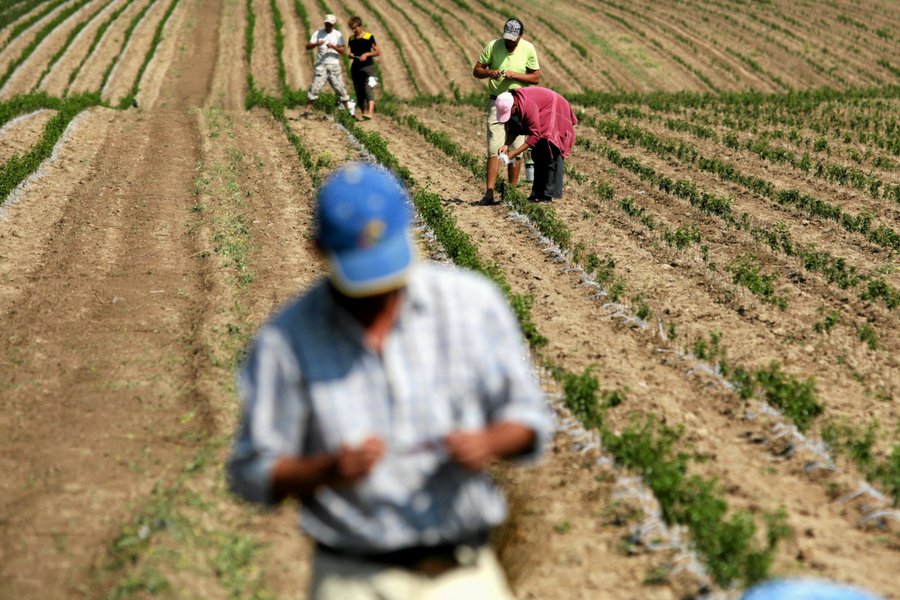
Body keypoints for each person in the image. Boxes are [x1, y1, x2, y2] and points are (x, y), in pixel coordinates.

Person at [226, 163, 554, 600]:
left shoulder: (471, 305)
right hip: (353, 578)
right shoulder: (286, 341)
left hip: (464, 575)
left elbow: (530, 417)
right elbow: (252, 471)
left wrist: (488, 442)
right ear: (317, 251)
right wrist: (327, 470)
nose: (380, 292)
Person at [473, 18, 540, 205]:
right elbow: (477, 70)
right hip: (496, 102)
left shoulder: (528, 48)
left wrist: (515, 75)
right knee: (494, 147)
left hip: (519, 104)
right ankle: (489, 193)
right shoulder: (493, 46)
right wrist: (490, 72)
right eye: (507, 38)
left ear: (521, 36)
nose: (509, 42)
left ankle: (510, 192)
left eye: (513, 39)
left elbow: (535, 78)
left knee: (516, 148)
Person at [495, 87, 577, 203]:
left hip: (554, 107)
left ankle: (547, 195)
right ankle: (536, 193)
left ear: (514, 106)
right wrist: (506, 145)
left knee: (550, 151)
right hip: (543, 109)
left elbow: (535, 135)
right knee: (538, 154)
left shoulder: (527, 106)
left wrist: (516, 152)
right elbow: (514, 130)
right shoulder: (517, 105)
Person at [303, 14, 353, 118]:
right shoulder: (318, 33)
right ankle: (306, 112)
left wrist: (333, 46)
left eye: (330, 24)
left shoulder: (337, 34)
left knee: (340, 88)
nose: (328, 26)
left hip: (334, 65)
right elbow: (307, 46)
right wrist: (316, 43)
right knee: (315, 88)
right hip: (321, 65)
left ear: (333, 24)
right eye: (326, 24)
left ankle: (348, 112)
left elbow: (343, 50)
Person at [347, 16, 380, 121]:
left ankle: (370, 112)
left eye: (355, 28)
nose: (354, 30)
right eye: (352, 28)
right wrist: (351, 55)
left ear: (360, 26)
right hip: (356, 68)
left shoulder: (369, 36)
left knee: (368, 90)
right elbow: (351, 51)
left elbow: (377, 52)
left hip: (368, 67)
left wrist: (367, 54)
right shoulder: (351, 39)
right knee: (359, 92)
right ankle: (364, 113)